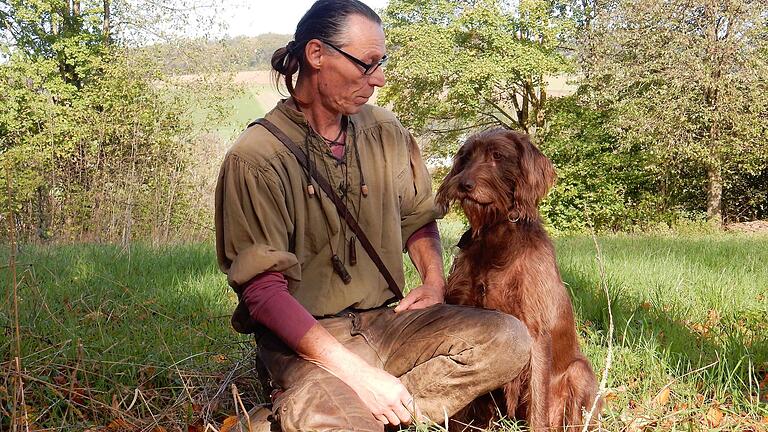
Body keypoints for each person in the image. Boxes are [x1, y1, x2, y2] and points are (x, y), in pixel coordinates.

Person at [214, 1, 532, 430]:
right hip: (308, 343)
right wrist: (358, 374)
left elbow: (417, 218)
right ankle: (322, 405)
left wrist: (434, 283)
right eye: (366, 65)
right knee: (341, 419)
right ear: (316, 54)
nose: (378, 79)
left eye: (380, 63)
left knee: (508, 339)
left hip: (390, 323)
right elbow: (263, 295)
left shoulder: (386, 133)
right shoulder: (256, 159)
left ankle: (350, 408)